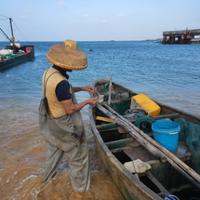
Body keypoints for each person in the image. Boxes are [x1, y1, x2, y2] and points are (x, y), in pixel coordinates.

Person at [39, 40, 97, 200]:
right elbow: (70, 109)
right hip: (63, 124)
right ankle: (81, 192)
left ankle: (45, 180)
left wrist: (83, 88)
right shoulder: (62, 83)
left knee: (55, 151)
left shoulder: (49, 73)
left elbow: (60, 93)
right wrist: (88, 101)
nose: (72, 66)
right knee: (79, 158)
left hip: (50, 120)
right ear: (66, 64)